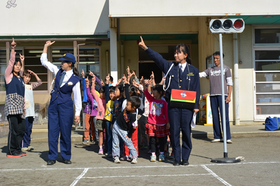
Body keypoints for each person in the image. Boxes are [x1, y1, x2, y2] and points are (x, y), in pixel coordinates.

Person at [138, 36, 200, 166]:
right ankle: (177, 158)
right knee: (174, 132)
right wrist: (146, 48)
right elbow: (158, 58)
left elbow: (196, 88)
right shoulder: (170, 67)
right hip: (174, 106)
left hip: (188, 107)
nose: (175, 54)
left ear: (185, 55)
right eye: (175, 52)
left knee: (187, 132)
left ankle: (186, 158)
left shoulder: (193, 70)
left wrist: (196, 106)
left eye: (178, 52)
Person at [40, 41, 81, 165]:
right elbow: (44, 61)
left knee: (65, 132)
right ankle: (52, 157)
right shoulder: (57, 71)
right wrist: (45, 47)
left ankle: (66, 156)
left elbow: (77, 97)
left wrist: (77, 113)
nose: (61, 63)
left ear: (69, 64)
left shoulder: (75, 79)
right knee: (52, 131)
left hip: (66, 107)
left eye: (64, 62)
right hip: (53, 106)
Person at [199, 51, 233, 144]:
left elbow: (230, 83)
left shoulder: (226, 69)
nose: (215, 60)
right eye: (214, 58)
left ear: (222, 59)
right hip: (213, 95)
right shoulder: (210, 69)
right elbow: (201, 74)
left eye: (217, 58)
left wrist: (229, 95)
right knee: (215, 116)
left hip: (223, 95)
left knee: (224, 116)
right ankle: (217, 136)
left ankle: (227, 137)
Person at [4, 38, 26, 157]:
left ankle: (18, 149)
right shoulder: (9, 76)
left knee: (22, 128)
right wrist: (13, 49)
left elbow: (23, 73)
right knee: (14, 129)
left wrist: (23, 61)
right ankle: (12, 150)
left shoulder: (19, 78)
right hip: (12, 106)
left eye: (19, 65)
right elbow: (11, 63)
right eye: (16, 65)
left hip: (20, 106)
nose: (17, 67)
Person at [144, 79, 170, 162]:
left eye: (155, 90)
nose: (153, 91)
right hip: (151, 123)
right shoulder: (151, 99)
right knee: (152, 140)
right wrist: (147, 84)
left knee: (162, 140)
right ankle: (153, 154)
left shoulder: (164, 102)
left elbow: (166, 113)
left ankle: (162, 154)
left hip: (161, 124)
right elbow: (146, 92)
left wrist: (167, 122)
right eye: (153, 90)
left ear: (160, 92)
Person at [112, 96, 141, 164]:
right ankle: (116, 156)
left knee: (129, 143)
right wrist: (127, 85)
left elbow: (131, 126)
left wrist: (129, 135)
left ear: (133, 107)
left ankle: (134, 156)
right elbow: (127, 95)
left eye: (128, 105)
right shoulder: (127, 108)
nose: (126, 105)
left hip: (123, 130)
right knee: (115, 142)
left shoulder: (133, 116)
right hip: (116, 125)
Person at [22, 69, 42, 151]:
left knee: (29, 129)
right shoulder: (21, 85)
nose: (27, 79)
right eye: (26, 77)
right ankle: (23, 145)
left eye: (29, 77)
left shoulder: (30, 85)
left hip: (31, 110)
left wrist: (34, 74)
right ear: (23, 76)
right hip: (24, 110)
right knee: (24, 128)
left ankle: (28, 144)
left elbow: (40, 82)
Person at [90, 72, 107, 155]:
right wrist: (93, 82)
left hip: (107, 119)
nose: (101, 94)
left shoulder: (107, 99)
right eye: (100, 92)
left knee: (106, 134)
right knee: (100, 133)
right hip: (100, 118)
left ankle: (106, 147)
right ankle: (100, 148)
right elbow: (93, 91)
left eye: (103, 92)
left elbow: (106, 89)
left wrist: (105, 84)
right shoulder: (98, 99)